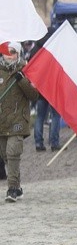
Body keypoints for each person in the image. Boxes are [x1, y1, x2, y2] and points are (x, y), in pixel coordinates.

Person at [0, 42, 39, 202]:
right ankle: (18, 185)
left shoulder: (25, 69)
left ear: (18, 53)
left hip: (18, 120)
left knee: (13, 153)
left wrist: (22, 80)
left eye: (13, 52)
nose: (10, 55)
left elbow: (34, 95)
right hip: (1, 122)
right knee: (6, 156)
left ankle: (12, 189)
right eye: (6, 52)